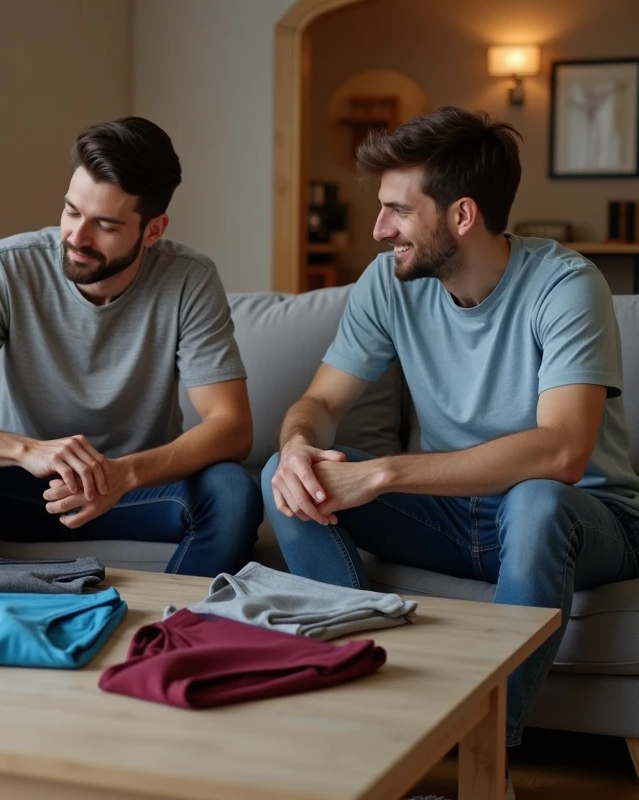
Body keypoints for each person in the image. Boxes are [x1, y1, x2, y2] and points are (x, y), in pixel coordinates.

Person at [262, 107, 639, 783]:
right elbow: (320, 404)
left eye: (398, 211)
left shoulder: (566, 284)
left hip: (582, 519)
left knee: (536, 503)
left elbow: (562, 453)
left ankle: (486, 757)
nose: (379, 230)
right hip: (452, 517)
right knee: (284, 477)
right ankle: (365, 704)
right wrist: (296, 448)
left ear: (462, 215)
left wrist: (382, 474)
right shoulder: (387, 283)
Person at [0, 116, 262, 577]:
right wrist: (28, 452)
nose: (77, 238)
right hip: (25, 487)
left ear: (153, 230)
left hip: (137, 492)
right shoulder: (6, 267)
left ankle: (174, 620)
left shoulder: (189, 279)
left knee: (232, 492)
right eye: (71, 211)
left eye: (105, 225)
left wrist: (125, 475)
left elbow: (232, 427)